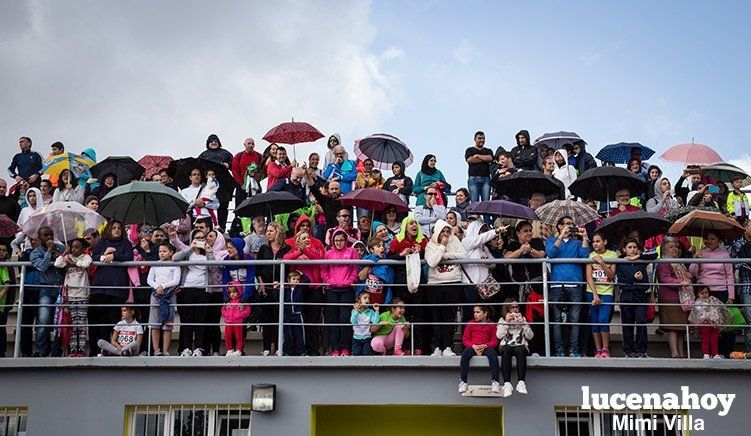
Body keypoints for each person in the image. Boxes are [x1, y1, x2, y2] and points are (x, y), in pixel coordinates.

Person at [546, 216, 590, 357]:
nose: (570, 226)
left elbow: (584, 256)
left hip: (575, 283)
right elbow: (550, 254)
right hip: (557, 284)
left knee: (574, 319)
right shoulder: (551, 240)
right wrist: (560, 237)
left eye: (572, 224)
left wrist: (584, 238)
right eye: (567, 224)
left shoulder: (577, 242)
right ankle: (559, 351)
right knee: (557, 320)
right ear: (559, 226)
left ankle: (573, 350)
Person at [89, 220, 134, 355]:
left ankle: (113, 348)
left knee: (114, 320)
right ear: (108, 229)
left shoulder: (126, 243)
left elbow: (129, 256)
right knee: (101, 319)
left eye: (119, 228)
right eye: (114, 228)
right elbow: (93, 257)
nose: (116, 230)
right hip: (100, 287)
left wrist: (114, 256)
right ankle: (101, 349)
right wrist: (104, 254)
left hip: (117, 288)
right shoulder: (101, 242)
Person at [424, 220, 468, 357]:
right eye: (443, 231)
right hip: (435, 284)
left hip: (453, 282)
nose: (445, 234)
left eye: (447, 231)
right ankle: (438, 346)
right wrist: (442, 247)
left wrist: (445, 256)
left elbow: (464, 256)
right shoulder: (430, 244)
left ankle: (448, 346)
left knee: (449, 317)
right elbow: (431, 261)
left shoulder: (455, 240)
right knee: (436, 317)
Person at [689, 231, 736, 357]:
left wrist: (731, 296)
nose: (709, 241)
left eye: (712, 239)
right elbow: (692, 273)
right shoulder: (701, 253)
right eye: (707, 239)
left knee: (720, 324)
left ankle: (724, 352)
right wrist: (695, 259)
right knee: (706, 324)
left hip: (720, 292)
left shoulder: (725, 255)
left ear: (719, 241)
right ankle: (707, 353)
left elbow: (730, 276)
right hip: (704, 293)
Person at [283, 220, 325, 355]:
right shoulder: (294, 251)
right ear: (297, 241)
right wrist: (298, 252)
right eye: (303, 238)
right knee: (298, 322)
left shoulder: (315, 248)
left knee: (312, 322)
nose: (307, 239)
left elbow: (317, 258)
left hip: (313, 290)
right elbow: (285, 258)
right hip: (299, 291)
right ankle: (297, 350)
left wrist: (305, 251)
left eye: (308, 237)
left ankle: (312, 350)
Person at [173, 229, 216, 357]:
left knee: (200, 320)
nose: (201, 240)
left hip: (203, 290)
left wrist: (210, 253)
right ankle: (185, 348)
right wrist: (189, 248)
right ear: (192, 239)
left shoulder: (206, 254)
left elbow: (213, 269)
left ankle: (199, 348)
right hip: (186, 289)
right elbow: (175, 258)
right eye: (198, 238)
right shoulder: (188, 252)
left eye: (203, 238)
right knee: (186, 320)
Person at [616, 238, 656, 358]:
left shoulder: (641, 259)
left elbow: (654, 254)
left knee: (641, 322)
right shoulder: (620, 262)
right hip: (627, 296)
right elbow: (621, 281)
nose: (632, 249)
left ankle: (641, 350)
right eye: (630, 247)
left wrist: (638, 256)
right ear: (624, 249)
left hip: (640, 296)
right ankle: (628, 351)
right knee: (627, 324)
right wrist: (634, 278)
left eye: (634, 247)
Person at [321, 229, 360, 356]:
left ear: (346, 241)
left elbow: (356, 269)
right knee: (334, 320)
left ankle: (346, 348)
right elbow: (323, 270)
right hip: (332, 289)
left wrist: (350, 281)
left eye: (341, 240)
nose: (338, 243)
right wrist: (329, 281)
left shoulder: (352, 252)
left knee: (345, 320)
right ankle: (336, 348)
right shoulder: (328, 253)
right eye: (336, 240)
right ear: (332, 241)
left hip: (347, 289)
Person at [255, 222, 291, 356]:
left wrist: (282, 282)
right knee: (267, 319)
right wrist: (261, 284)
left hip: (280, 289)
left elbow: (289, 270)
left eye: (271, 231)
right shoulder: (263, 249)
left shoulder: (287, 249)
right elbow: (258, 270)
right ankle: (266, 348)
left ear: (278, 232)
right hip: (266, 289)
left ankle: (277, 348)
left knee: (279, 318)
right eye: (267, 231)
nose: (268, 233)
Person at [30, 226, 65, 357]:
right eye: (46, 235)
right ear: (39, 238)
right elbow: (42, 267)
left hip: (61, 288)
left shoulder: (60, 248)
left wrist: (63, 255)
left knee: (60, 322)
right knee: (44, 319)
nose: (49, 238)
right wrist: (49, 251)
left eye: (51, 235)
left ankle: (57, 351)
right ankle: (40, 350)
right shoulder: (35, 252)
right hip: (46, 288)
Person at [53, 238, 92, 357]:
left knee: (81, 323)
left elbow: (86, 263)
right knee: (72, 324)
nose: (74, 249)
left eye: (77, 247)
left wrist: (74, 263)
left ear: (83, 248)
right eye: (73, 247)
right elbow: (57, 263)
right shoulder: (67, 257)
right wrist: (65, 253)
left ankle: (81, 349)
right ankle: (73, 349)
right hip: (69, 296)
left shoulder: (85, 257)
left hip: (82, 295)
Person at [657, 238, 691, 358]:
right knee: (673, 327)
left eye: (676, 247)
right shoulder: (664, 262)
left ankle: (681, 353)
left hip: (682, 298)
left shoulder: (679, 262)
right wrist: (680, 282)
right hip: (669, 297)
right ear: (665, 249)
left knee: (681, 328)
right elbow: (664, 278)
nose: (674, 249)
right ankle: (674, 353)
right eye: (671, 247)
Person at [584, 232, 617, 358]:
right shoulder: (590, 255)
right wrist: (595, 295)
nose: (595, 244)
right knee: (594, 321)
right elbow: (588, 276)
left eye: (598, 241)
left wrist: (602, 263)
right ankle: (598, 350)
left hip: (607, 291)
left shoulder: (612, 255)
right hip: (592, 292)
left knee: (603, 319)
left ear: (605, 242)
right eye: (593, 242)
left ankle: (605, 349)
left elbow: (611, 276)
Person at [147, 242, 181, 356]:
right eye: (160, 251)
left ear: (171, 252)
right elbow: (149, 279)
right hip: (156, 294)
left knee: (168, 323)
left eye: (164, 251)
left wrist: (164, 286)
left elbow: (176, 280)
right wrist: (157, 287)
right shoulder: (155, 264)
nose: (161, 253)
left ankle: (165, 350)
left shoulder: (175, 264)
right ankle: (156, 350)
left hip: (169, 295)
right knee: (155, 323)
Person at [458, 306, 500, 395]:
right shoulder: (470, 323)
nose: (475, 314)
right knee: (465, 354)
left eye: (478, 312)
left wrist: (485, 345)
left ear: (485, 313)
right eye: (474, 312)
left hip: (485, 347)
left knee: (493, 354)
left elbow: (495, 341)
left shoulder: (492, 325)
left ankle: (495, 382)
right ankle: (463, 382)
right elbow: (465, 339)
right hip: (473, 347)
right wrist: (473, 346)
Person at [496, 299, 533, 396]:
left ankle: (521, 383)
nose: (515, 309)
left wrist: (524, 324)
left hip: (520, 345)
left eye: (517, 307)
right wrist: (506, 322)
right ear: (507, 309)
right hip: (506, 345)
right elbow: (499, 336)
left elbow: (530, 336)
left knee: (520, 350)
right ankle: (507, 384)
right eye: (512, 307)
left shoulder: (523, 319)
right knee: (506, 350)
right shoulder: (502, 319)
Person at [689, 285, 729, 359]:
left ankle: (715, 354)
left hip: (714, 324)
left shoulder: (713, 299)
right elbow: (695, 313)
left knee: (714, 340)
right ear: (697, 294)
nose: (704, 295)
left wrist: (727, 313)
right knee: (705, 339)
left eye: (706, 293)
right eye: (702, 293)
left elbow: (721, 306)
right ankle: (706, 354)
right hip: (704, 325)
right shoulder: (697, 302)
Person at [730, 220, 751, 353]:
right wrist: (746, 262)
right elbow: (734, 264)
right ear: (746, 228)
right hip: (746, 287)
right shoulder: (738, 244)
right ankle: (750, 352)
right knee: (750, 320)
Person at [358, 237, 394, 306]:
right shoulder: (366, 260)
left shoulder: (387, 262)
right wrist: (370, 262)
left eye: (383, 246)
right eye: (378, 246)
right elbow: (361, 277)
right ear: (372, 250)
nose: (382, 248)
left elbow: (390, 280)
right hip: (367, 300)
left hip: (381, 300)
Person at [222, 281, 251, 357]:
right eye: (230, 292)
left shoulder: (241, 302)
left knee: (239, 337)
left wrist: (240, 315)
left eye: (234, 292)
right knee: (227, 336)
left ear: (239, 291)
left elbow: (247, 311)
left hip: (238, 322)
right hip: (228, 322)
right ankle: (229, 349)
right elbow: (223, 310)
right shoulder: (228, 302)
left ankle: (239, 350)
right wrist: (227, 315)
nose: (232, 294)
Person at [232, 137, 263, 205]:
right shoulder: (238, 156)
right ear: (244, 145)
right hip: (241, 185)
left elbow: (263, 170)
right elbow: (234, 171)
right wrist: (242, 184)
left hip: (255, 184)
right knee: (240, 206)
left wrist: (256, 175)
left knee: (257, 206)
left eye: (252, 144)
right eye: (249, 143)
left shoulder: (259, 156)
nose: (251, 145)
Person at [465, 131, 494, 203]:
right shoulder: (470, 150)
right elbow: (470, 160)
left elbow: (490, 158)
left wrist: (477, 156)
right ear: (475, 139)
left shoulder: (488, 150)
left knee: (486, 203)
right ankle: (475, 215)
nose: (482, 140)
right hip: (473, 179)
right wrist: (484, 159)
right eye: (480, 138)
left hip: (486, 179)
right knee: (474, 203)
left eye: (483, 138)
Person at [350, 291, 380, 356]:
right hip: (356, 338)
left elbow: (375, 322)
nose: (367, 300)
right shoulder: (354, 311)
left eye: (369, 298)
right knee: (356, 354)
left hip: (367, 338)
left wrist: (377, 311)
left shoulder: (371, 312)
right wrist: (355, 311)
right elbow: (353, 322)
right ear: (359, 300)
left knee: (366, 354)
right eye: (365, 298)